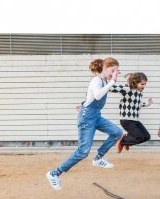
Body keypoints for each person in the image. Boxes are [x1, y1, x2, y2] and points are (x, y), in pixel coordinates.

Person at [46, 57, 123, 191]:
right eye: (113, 70)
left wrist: (83, 104)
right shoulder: (97, 80)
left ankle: (98, 158)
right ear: (105, 67)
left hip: (95, 115)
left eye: (116, 70)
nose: (115, 73)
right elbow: (98, 95)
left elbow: (91, 96)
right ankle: (54, 173)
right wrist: (112, 81)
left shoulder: (104, 80)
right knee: (82, 152)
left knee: (117, 132)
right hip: (87, 118)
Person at [109, 72, 153, 152]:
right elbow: (111, 88)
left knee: (147, 137)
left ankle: (127, 141)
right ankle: (123, 141)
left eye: (145, 84)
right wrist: (108, 81)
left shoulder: (139, 93)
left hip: (135, 120)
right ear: (135, 83)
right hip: (126, 120)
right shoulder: (127, 89)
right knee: (139, 137)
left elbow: (138, 104)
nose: (144, 86)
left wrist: (147, 103)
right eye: (142, 84)